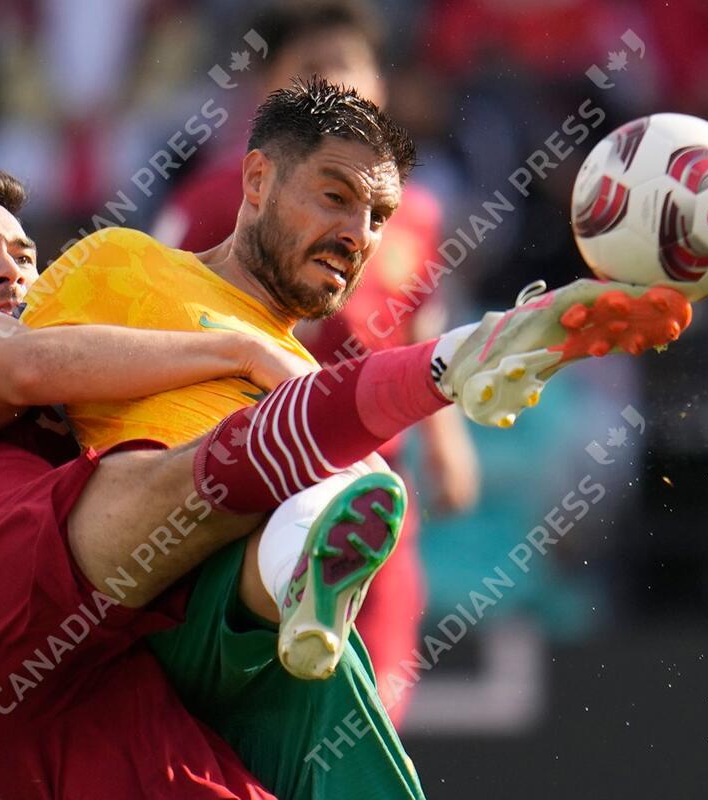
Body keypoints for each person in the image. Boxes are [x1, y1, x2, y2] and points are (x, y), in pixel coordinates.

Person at [0, 82, 691, 799]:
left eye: (376, 218)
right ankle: (437, 385)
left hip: (118, 647)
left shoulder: (291, 368)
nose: (355, 233)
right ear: (256, 182)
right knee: (185, 475)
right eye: (334, 196)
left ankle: (296, 556)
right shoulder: (100, 270)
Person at [151, 0, 480, 722]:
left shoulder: (415, 215)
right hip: (249, 492)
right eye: (310, 69)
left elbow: (419, 326)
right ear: (267, 92)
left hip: (374, 499)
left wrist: (446, 438)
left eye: (348, 67)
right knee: (251, 724)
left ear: (382, 86)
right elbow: (151, 317)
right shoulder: (214, 201)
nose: (335, 84)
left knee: (368, 721)